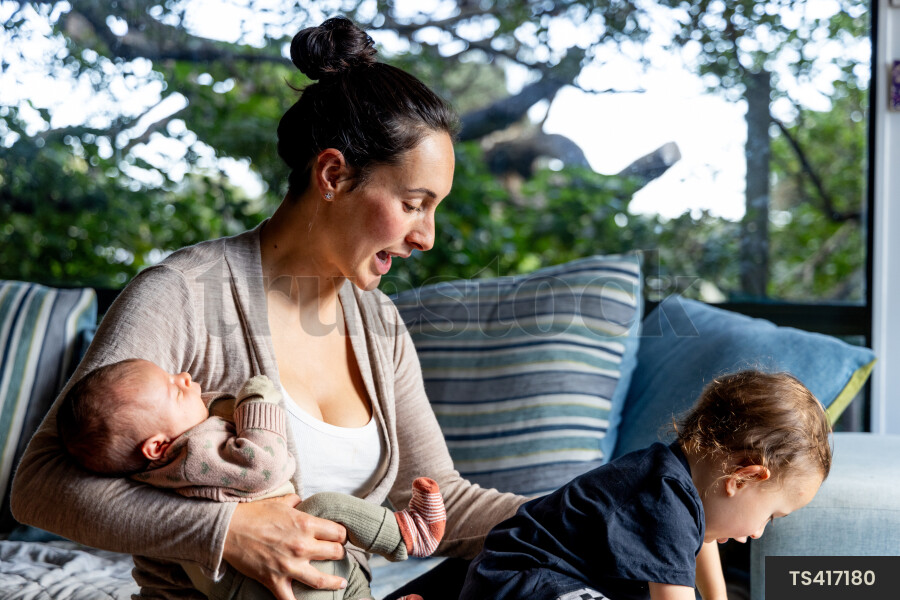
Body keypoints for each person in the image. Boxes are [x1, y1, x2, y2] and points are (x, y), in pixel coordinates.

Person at [10, 15, 727, 600]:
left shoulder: (375, 321)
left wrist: (608, 518)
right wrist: (230, 532)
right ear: (333, 174)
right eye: (414, 204)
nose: (427, 236)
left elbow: (442, 498)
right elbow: (38, 489)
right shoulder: (183, 294)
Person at [55, 359, 444, 600]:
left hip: (264, 582)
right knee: (324, 508)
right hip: (274, 581)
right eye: (175, 390)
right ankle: (409, 532)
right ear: (157, 446)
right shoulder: (192, 454)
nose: (187, 377)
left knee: (344, 582)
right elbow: (264, 467)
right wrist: (255, 403)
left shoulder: (156, 476)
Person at [459, 370, 832, 600]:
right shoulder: (664, 499)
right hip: (521, 582)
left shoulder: (682, 482)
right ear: (743, 478)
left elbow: (698, 541)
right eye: (770, 516)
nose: (758, 532)